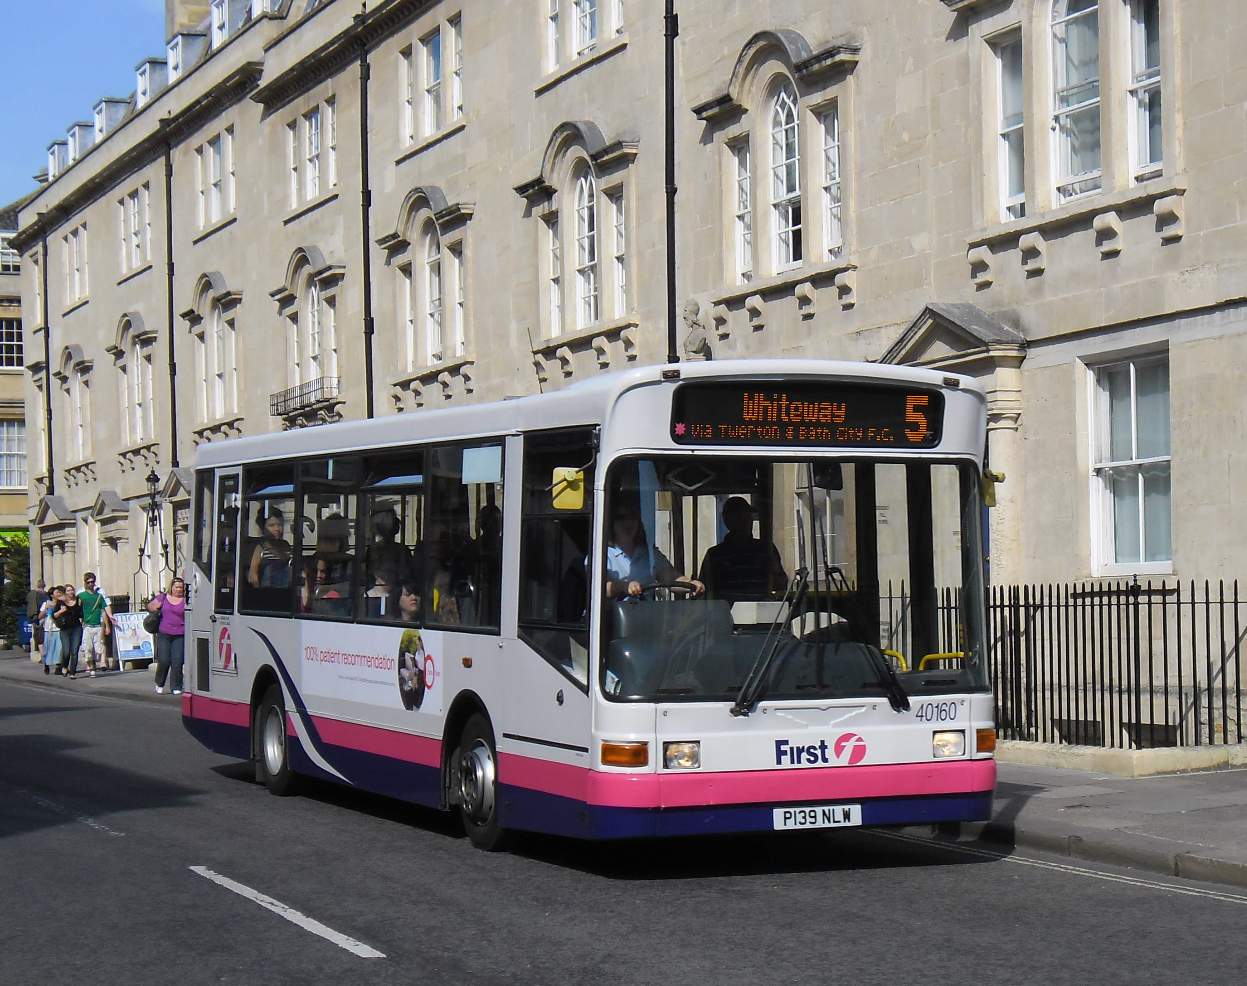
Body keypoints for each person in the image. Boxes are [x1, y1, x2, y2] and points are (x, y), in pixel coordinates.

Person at [698, 496, 789, 603]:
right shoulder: (714, 555)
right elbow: (703, 590)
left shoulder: (766, 550)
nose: (748, 521)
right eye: (741, 517)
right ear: (727, 520)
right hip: (725, 612)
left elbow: (780, 584)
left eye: (748, 517)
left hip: (762, 610)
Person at [604, 504, 703, 599]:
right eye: (622, 518)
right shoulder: (603, 554)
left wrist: (691, 584)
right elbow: (601, 588)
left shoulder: (650, 554)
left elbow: (671, 578)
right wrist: (623, 586)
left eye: (633, 517)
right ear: (611, 523)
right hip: (613, 610)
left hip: (648, 609)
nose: (628, 522)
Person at [147, 577, 187, 695]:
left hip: (180, 634)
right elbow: (150, 606)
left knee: (177, 661)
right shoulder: (164, 597)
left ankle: (176, 686)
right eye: (177, 587)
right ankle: (159, 683)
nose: (179, 589)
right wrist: (155, 606)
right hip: (164, 633)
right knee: (164, 660)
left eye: (181, 587)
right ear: (172, 587)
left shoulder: (186, 600)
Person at [77, 572, 113, 676]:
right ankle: (91, 666)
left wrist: (107, 625)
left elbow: (103, 611)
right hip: (87, 626)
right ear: (85, 582)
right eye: (88, 582)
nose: (91, 584)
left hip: (98, 625)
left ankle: (99, 662)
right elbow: (78, 610)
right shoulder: (81, 595)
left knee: (99, 647)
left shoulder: (99, 595)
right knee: (88, 648)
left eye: (92, 582)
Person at [247, 506, 292, 588]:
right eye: (271, 525)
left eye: (280, 525)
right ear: (263, 528)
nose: (277, 528)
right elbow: (252, 576)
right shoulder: (261, 547)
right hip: (267, 590)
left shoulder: (286, 545)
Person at [54, 584, 83, 679]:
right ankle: (65, 666)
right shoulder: (61, 602)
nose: (71, 592)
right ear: (65, 592)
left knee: (74, 651)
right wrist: (61, 611)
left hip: (76, 628)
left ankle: (73, 672)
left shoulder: (78, 601)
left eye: (72, 590)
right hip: (65, 629)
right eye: (68, 590)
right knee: (66, 651)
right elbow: (54, 615)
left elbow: (81, 615)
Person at [38, 586, 63, 675]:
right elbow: (40, 616)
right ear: (52, 595)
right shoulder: (46, 603)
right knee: (48, 648)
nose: (59, 594)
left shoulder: (62, 604)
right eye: (57, 592)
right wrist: (46, 609)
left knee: (59, 649)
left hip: (59, 628)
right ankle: (46, 664)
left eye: (59, 592)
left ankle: (58, 667)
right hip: (49, 629)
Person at [27, 580, 48, 661]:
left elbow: (30, 606)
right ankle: (43, 655)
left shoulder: (32, 594)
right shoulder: (45, 594)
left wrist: (33, 617)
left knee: (39, 636)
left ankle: (42, 655)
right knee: (41, 635)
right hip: (43, 616)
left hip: (37, 617)